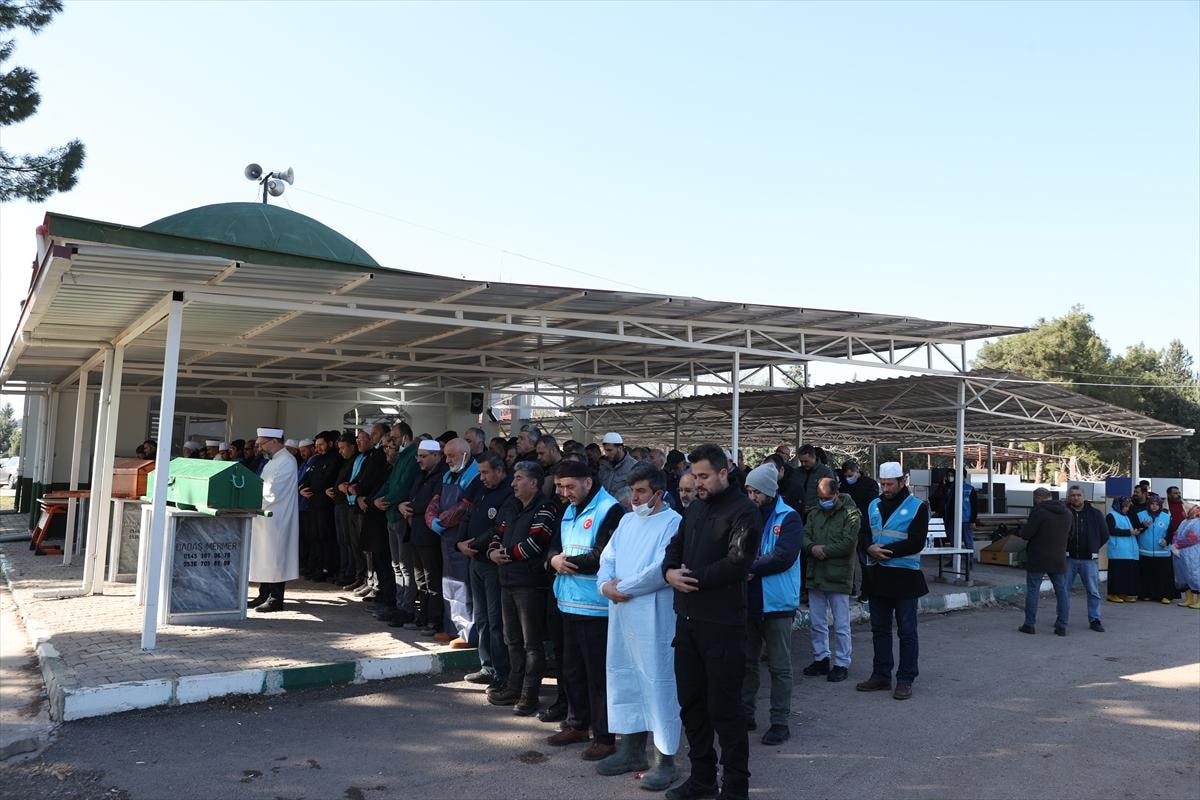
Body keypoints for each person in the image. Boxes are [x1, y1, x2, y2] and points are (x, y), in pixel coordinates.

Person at [662, 444, 760, 800]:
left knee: (725, 710)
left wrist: (692, 579)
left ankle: (735, 786)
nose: (697, 483)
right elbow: (675, 546)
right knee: (691, 705)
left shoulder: (744, 511)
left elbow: (737, 562)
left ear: (723, 472)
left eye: (703, 476)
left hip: (723, 625)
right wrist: (669, 572)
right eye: (694, 476)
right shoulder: (695, 508)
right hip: (687, 622)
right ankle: (702, 777)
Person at [595, 464, 683, 791]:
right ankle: (631, 750)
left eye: (641, 491)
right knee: (624, 677)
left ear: (658, 493)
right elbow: (608, 559)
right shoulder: (627, 521)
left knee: (658, 683)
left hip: (654, 615)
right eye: (632, 491)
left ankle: (664, 760)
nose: (634, 497)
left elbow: (661, 569)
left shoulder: (673, 522)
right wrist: (605, 586)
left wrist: (622, 587)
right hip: (622, 612)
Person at [547, 459, 626, 762]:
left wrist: (564, 563)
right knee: (571, 671)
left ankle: (604, 736)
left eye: (570, 486)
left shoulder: (610, 510)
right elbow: (554, 546)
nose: (564, 492)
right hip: (567, 601)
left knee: (598, 676)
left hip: (596, 607)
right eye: (560, 486)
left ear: (588, 482)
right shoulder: (569, 509)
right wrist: (553, 560)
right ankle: (577, 724)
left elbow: (602, 556)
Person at [486, 461, 557, 716]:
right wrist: (493, 552)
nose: (513, 483)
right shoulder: (513, 506)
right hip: (507, 581)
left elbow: (536, 543)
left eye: (518, 478)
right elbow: (498, 532)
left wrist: (505, 554)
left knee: (531, 643)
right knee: (512, 639)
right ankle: (513, 687)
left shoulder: (546, 508)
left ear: (533, 483)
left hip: (529, 585)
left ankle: (530, 693)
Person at [741, 463, 803, 746]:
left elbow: (784, 556)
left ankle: (780, 721)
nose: (751, 496)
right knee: (747, 663)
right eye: (748, 491)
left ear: (768, 490)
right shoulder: (746, 515)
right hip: (749, 600)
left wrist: (750, 567)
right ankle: (746, 713)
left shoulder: (789, 517)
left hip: (777, 602)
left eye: (756, 491)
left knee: (779, 666)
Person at [856, 462, 928, 700]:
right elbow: (863, 533)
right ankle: (881, 675)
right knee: (879, 629)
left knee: (907, 631)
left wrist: (884, 551)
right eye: (883, 484)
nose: (885, 489)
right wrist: (869, 547)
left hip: (905, 578)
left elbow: (916, 542)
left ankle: (906, 679)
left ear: (902, 481)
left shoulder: (918, 507)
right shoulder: (873, 505)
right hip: (878, 576)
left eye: (890, 484)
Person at [460, 452, 513, 687]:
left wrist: (473, 545)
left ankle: (501, 672)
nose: (481, 477)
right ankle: (487, 666)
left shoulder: (508, 494)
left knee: (495, 621)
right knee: (481, 618)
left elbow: (498, 528)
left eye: (485, 473)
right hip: (475, 561)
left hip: (492, 564)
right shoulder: (481, 489)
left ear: (499, 471)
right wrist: (459, 542)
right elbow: (467, 514)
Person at [802, 477, 860, 684]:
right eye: (820, 498)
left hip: (838, 575)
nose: (823, 501)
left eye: (826, 498)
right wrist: (811, 548)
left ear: (836, 494)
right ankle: (821, 658)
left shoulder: (851, 514)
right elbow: (804, 536)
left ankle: (842, 663)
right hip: (816, 574)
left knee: (841, 623)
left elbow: (848, 543)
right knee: (817, 622)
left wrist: (823, 550)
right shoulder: (814, 513)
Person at [427, 437, 482, 646]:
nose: (447, 460)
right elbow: (436, 500)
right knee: (449, 583)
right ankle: (451, 628)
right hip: (446, 538)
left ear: (465, 455)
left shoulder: (475, 476)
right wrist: (432, 519)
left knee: (464, 585)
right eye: (446, 456)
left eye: (451, 456)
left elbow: (464, 507)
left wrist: (440, 521)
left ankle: (468, 633)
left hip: (462, 537)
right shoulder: (448, 474)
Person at [248, 428, 300, 613]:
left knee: (276, 556)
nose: (260, 448)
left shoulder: (287, 461)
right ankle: (263, 594)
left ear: (275, 441)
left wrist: (252, 503)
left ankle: (276, 599)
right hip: (265, 516)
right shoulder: (273, 461)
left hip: (278, 517)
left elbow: (274, 492)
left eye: (262, 443)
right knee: (265, 557)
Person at [402, 440, 448, 634]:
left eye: (423, 456)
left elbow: (433, 503)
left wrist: (409, 507)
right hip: (416, 533)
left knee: (432, 578)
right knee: (420, 578)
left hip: (429, 535)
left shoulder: (442, 475)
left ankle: (434, 620)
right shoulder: (422, 474)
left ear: (436, 456)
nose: (419, 460)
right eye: (418, 456)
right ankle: (421, 617)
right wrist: (404, 505)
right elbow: (413, 496)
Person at [1015, 487, 1072, 636]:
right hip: (1058, 557)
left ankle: (1029, 624)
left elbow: (1026, 534)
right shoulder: (1067, 512)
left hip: (1038, 557)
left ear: (1038, 498)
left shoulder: (1039, 512)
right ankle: (1062, 626)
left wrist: (1021, 530)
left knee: (1033, 590)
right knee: (1062, 591)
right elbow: (1070, 534)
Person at [1062, 485, 1109, 632]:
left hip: (1089, 560)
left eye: (1078, 495)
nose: (1076, 498)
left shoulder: (1095, 514)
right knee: (1063, 590)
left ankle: (1095, 619)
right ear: (1069, 497)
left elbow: (1104, 534)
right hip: (1068, 559)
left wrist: (1093, 547)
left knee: (1093, 591)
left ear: (1084, 496)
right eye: (1072, 495)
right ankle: (1061, 619)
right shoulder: (1064, 513)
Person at [840, 461, 879, 597]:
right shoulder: (843, 485)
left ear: (857, 472)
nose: (848, 478)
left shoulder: (870, 484)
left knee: (865, 561)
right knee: (847, 560)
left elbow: (872, 505)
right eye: (845, 476)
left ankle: (866, 592)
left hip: (864, 527)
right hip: (847, 527)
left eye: (850, 475)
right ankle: (850, 588)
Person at [1137, 493, 1178, 603]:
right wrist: (1143, 526)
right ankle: (1146, 594)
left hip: (1162, 552)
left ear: (1160, 505)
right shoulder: (1140, 515)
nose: (1154, 506)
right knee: (1147, 575)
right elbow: (1136, 530)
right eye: (1152, 504)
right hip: (1144, 551)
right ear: (1148, 504)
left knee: (1163, 575)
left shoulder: (1166, 516)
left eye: (1157, 504)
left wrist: (1167, 541)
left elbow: (1171, 532)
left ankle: (1165, 596)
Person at [781, 444, 836, 522]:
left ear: (814, 457)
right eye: (801, 461)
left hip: (818, 514)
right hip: (798, 513)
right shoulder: (796, 473)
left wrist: (815, 506)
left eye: (806, 461)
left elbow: (830, 494)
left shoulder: (826, 472)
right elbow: (790, 491)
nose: (803, 464)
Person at [1104, 497, 1140, 603]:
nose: (1127, 509)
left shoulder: (1125, 516)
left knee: (1125, 574)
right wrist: (1129, 532)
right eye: (1125, 506)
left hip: (1128, 550)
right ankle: (1112, 594)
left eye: (1128, 506)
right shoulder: (1111, 515)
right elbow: (1111, 530)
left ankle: (1123, 593)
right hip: (1117, 550)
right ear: (1119, 506)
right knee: (1117, 574)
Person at [941, 472, 978, 564]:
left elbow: (974, 506)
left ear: (964, 477)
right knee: (953, 542)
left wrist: (973, 520)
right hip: (952, 519)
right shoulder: (951, 488)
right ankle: (954, 560)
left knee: (968, 541)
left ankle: (970, 561)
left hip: (966, 520)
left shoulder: (970, 489)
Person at [1170, 506, 1200, 609]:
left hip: (1193, 553)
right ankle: (1189, 599)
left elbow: (1194, 538)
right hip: (1180, 553)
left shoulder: (1197, 522)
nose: (1185, 512)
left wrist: (1177, 545)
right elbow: (1176, 533)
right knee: (1183, 575)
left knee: (1195, 575)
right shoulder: (1184, 522)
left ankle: (1199, 601)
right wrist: (1175, 543)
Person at [599, 432, 638, 497]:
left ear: (620, 448)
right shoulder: (604, 466)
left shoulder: (634, 466)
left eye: (609, 450)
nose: (606, 454)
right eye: (605, 450)